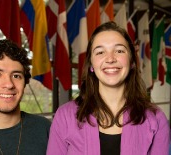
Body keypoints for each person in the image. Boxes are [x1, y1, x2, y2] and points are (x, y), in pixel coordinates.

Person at [46, 21, 170, 155]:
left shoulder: (156, 119)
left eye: (119, 50)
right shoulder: (65, 116)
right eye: (100, 52)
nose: (110, 59)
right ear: (91, 65)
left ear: (132, 62)